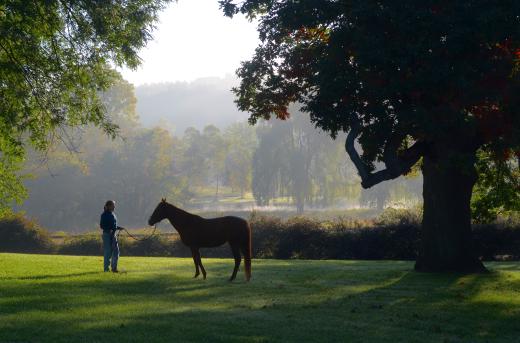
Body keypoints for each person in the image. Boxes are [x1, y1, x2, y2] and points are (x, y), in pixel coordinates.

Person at [100, 200, 123, 272]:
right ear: (109, 206)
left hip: (113, 235)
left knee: (116, 251)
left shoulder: (113, 214)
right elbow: (102, 226)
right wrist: (111, 228)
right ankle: (106, 269)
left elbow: (113, 225)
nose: (114, 207)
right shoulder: (104, 215)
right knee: (108, 252)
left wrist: (118, 227)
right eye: (113, 205)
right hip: (107, 235)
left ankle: (114, 268)